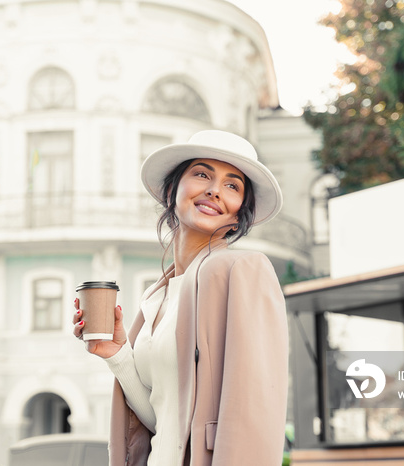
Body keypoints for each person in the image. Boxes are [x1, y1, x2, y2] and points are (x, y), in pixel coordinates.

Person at [72, 130, 288, 465]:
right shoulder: (155, 297)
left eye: (232, 185)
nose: (215, 190)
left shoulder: (242, 271)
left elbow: (254, 413)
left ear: (237, 214)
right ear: (173, 190)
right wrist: (117, 356)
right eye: (202, 174)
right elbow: (166, 421)